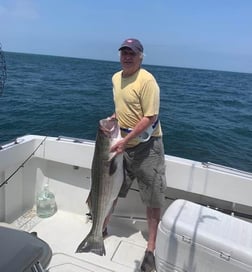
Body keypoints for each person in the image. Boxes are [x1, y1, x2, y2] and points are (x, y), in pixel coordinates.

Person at [108, 38, 166, 272]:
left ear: (141, 56)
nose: (127, 56)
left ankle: (150, 248)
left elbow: (149, 117)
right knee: (111, 189)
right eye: (123, 52)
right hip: (123, 145)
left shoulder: (147, 80)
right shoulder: (115, 78)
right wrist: (114, 117)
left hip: (147, 147)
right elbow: (124, 106)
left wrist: (125, 140)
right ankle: (101, 227)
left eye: (132, 53)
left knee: (152, 199)